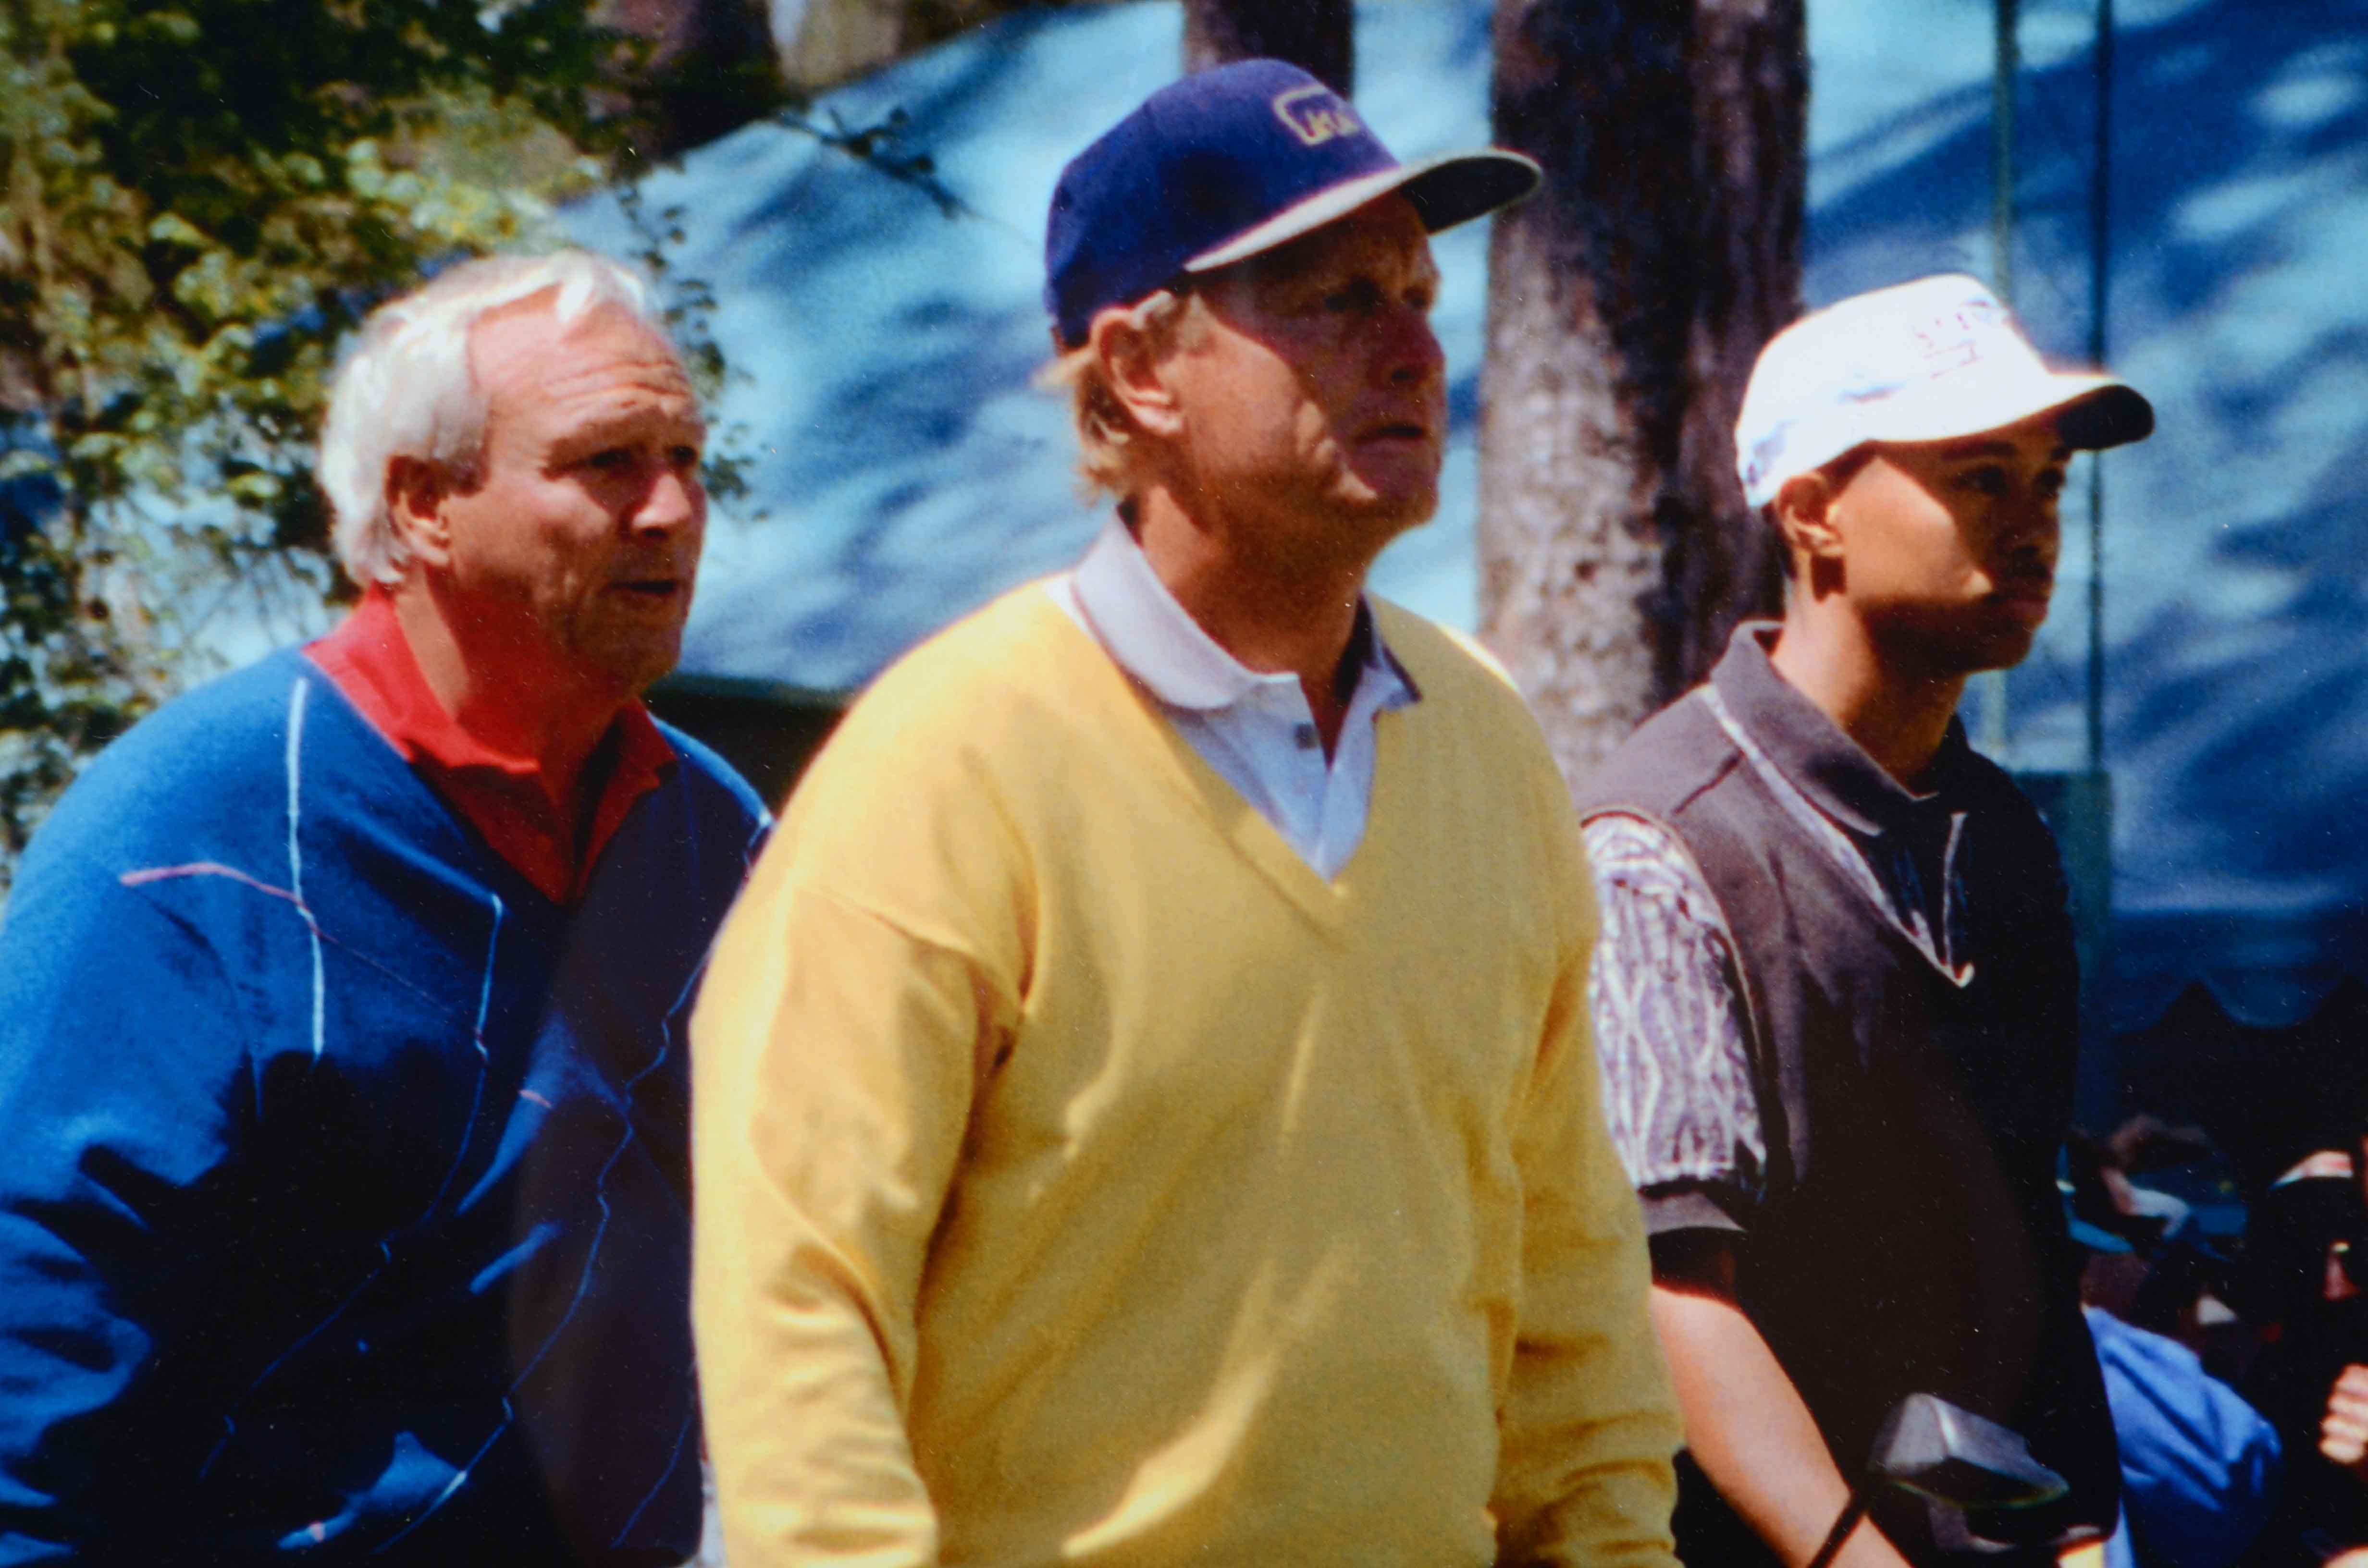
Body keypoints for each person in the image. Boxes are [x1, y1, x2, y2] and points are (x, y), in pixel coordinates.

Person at [691, 58, 1682, 1568]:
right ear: (1140, 371)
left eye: (1417, 292)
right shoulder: (949, 764)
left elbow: (1573, 1283)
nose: (1415, 348)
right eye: (1336, 299)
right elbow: (798, 1302)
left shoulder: (1485, 745)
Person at [0, 251, 766, 1564]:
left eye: (687, 457)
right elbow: (30, 1348)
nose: (675, 509)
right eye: (608, 464)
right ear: (421, 507)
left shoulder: (713, 836)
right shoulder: (187, 846)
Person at [1576, 274, 2155, 1567]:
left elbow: (2023, 1235)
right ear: (1814, 514)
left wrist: (2079, 1537)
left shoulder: (2001, 842)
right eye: (1980, 477)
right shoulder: (1661, 848)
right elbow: (1671, 1297)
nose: (2035, 524)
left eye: (2049, 481)